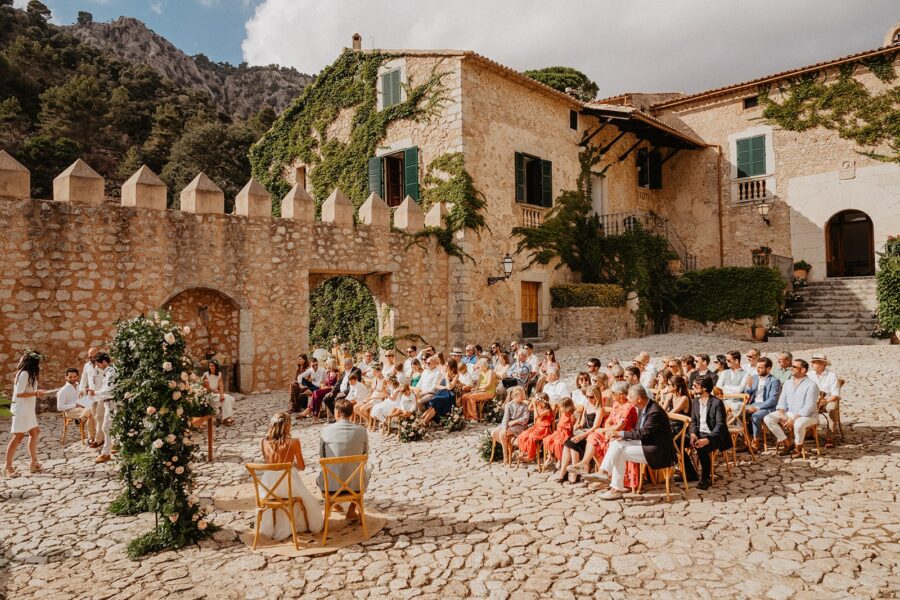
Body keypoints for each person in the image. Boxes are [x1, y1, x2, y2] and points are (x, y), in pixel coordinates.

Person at [595, 385, 675, 501]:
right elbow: (639, 432)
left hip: (657, 451)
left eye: (630, 398)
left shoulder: (654, 411)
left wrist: (621, 433)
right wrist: (621, 437)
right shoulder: (645, 407)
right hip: (647, 443)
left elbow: (643, 433)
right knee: (617, 444)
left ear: (639, 398)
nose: (628, 399)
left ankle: (615, 488)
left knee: (619, 451)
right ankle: (604, 473)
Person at [258, 412, 324, 538]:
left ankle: (274, 525)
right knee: (305, 498)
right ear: (287, 426)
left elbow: (268, 463)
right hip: (288, 485)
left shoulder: (264, 442)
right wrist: (290, 464)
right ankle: (298, 523)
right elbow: (302, 466)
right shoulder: (294, 442)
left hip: (269, 488)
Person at [567, 382, 639, 482]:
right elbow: (609, 421)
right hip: (612, 433)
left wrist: (603, 430)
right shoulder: (616, 404)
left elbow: (619, 427)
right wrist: (606, 431)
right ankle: (585, 464)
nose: (611, 394)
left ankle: (605, 475)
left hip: (624, 435)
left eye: (614, 393)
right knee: (593, 436)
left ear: (622, 394)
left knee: (596, 436)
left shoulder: (628, 407)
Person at [317, 400, 372, 521]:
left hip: (331, 486)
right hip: (355, 486)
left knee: (321, 475)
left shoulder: (326, 431)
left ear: (336, 413)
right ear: (352, 414)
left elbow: (323, 456)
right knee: (366, 471)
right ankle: (352, 509)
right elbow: (365, 454)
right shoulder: (362, 431)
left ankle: (333, 503)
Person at [763, 358, 819, 457]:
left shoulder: (811, 385)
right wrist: (781, 414)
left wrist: (794, 418)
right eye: (791, 366)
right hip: (789, 412)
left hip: (808, 416)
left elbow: (809, 406)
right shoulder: (788, 383)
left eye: (794, 367)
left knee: (798, 423)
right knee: (768, 418)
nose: (791, 369)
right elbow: (782, 400)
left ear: (803, 370)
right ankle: (787, 444)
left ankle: (798, 448)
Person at [5, 350, 47, 477]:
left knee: (35, 432)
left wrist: (37, 392)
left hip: (28, 410)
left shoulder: (30, 374)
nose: (39, 364)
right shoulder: (23, 374)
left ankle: (34, 464)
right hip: (21, 411)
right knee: (17, 438)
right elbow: (19, 394)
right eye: (38, 362)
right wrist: (36, 393)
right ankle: (7, 467)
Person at [688, 375, 732, 489]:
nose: (692, 387)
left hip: (715, 436)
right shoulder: (695, 401)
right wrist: (693, 434)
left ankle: (706, 477)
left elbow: (720, 425)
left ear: (704, 388)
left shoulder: (717, 403)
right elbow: (693, 421)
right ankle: (690, 473)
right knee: (679, 442)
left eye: (695, 386)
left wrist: (708, 439)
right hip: (699, 433)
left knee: (701, 447)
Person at [744, 356, 782, 451]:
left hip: (767, 407)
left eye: (760, 367)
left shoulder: (774, 381)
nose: (757, 369)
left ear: (768, 369)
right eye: (757, 367)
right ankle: (747, 440)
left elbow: (773, 400)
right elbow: (748, 395)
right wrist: (748, 387)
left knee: (755, 416)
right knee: (738, 414)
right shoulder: (755, 377)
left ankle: (756, 440)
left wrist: (757, 408)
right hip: (753, 403)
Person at [808, 353, 841, 448]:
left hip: (828, 400)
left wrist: (824, 401)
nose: (812, 364)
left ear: (823, 364)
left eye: (815, 362)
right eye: (812, 362)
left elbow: (835, 395)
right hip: (813, 400)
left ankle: (830, 437)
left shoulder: (831, 376)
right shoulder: (809, 375)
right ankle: (809, 431)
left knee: (832, 408)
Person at [490, 387, 529, 466]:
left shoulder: (525, 405)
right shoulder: (509, 404)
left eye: (523, 395)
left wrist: (515, 421)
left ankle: (506, 456)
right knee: (494, 433)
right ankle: (509, 447)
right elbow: (505, 418)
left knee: (501, 434)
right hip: (508, 425)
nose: (523, 397)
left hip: (519, 426)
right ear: (515, 396)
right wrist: (504, 428)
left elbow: (525, 419)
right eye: (521, 396)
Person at [420, 359, 459, 427]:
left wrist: (447, 378)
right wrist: (444, 387)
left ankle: (423, 421)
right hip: (441, 392)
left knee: (436, 401)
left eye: (447, 366)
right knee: (434, 405)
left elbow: (450, 387)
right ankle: (421, 421)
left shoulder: (455, 375)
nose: (445, 367)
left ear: (451, 366)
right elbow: (437, 385)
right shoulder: (444, 373)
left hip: (448, 396)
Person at [94, 353, 117, 464]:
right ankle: (116, 444)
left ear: (104, 362)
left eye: (98, 364)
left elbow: (109, 391)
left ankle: (106, 453)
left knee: (106, 427)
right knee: (113, 426)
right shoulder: (110, 371)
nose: (97, 366)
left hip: (112, 403)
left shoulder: (111, 372)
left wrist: (95, 393)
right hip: (109, 403)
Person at [78, 346, 104, 447]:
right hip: (89, 396)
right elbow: (84, 379)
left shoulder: (103, 365)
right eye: (90, 357)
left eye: (94, 356)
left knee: (98, 418)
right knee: (90, 417)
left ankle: (99, 438)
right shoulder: (87, 366)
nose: (92, 359)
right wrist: (81, 391)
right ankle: (91, 437)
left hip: (100, 395)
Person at [517, 394, 553, 462]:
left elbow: (536, 416)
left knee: (531, 436)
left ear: (542, 401)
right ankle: (524, 451)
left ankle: (531, 456)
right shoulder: (539, 407)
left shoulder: (547, 410)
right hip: (536, 427)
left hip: (544, 429)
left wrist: (534, 404)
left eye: (537, 400)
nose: (536, 402)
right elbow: (529, 408)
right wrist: (532, 402)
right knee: (523, 434)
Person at [543, 398, 575, 467]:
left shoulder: (571, 415)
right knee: (547, 439)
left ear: (567, 407)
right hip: (558, 432)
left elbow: (572, 427)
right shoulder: (563, 413)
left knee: (558, 443)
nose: (560, 409)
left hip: (565, 433)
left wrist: (571, 436)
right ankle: (550, 457)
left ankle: (560, 459)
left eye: (561, 407)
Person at [203, 360, 235, 426]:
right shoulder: (206, 375)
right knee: (229, 398)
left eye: (213, 366)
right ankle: (226, 418)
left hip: (215, 394)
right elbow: (207, 388)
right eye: (210, 366)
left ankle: (225, 418)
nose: (211, 367)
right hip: (208, 395)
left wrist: (221, 395)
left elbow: (221, 385)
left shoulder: (219, 374)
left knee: (230, 398)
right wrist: (214, 390)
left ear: (216, 366)